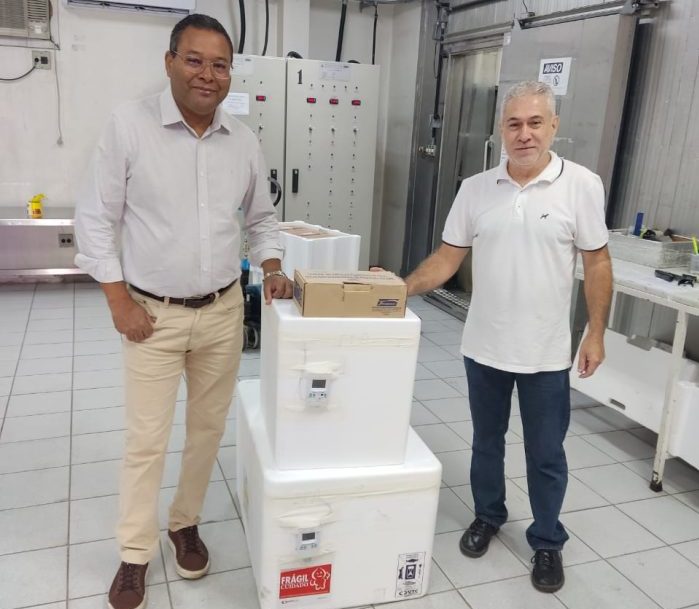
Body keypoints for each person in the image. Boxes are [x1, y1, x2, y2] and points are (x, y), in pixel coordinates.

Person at [74, 14, 291, 609]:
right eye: (194, 60)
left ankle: (184, 523)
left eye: (220, 65)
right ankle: (133, 554)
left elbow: (261, 219)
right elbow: (95, 219)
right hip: (152, 316)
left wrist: (272, 267)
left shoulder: (242, 140)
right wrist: (118, 300)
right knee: (146, 440)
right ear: (169, 61)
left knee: (206, 431)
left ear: (230, 74)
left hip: (222, 311)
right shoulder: (129, 125)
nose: (207, 74)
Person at [404, 80, 613, 593]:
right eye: (514, 124)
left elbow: (597, 262)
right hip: (485, 347)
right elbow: (447, 257)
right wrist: (399, 288)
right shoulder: (476, 189)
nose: (525, 134)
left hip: (545, 353)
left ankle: (547, 541)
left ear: (553, 126)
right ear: (501, 128)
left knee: (546, 453)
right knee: (486, 443)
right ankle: (488, 515)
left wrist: (595, 333)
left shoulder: (581, 185)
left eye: (535, 123)